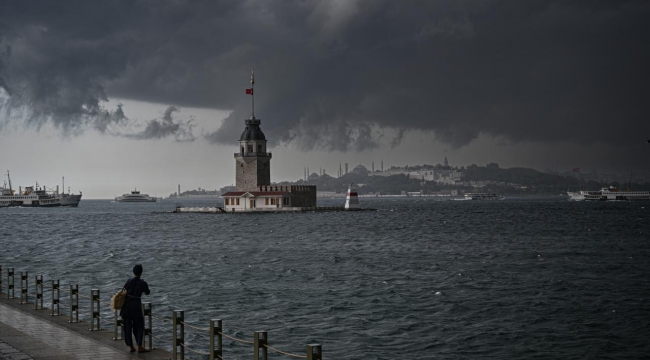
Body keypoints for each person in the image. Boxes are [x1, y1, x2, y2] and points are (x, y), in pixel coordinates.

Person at [120, 264, 151, 353]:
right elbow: (148, 292)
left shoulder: (129, 281)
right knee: (139, 326)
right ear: (141, 272)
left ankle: (131, 346)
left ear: (133, 272)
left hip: (126, 306)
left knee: (127, 327)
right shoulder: (142, 283)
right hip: (136, 306)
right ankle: (139, 346)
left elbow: (123, 291)